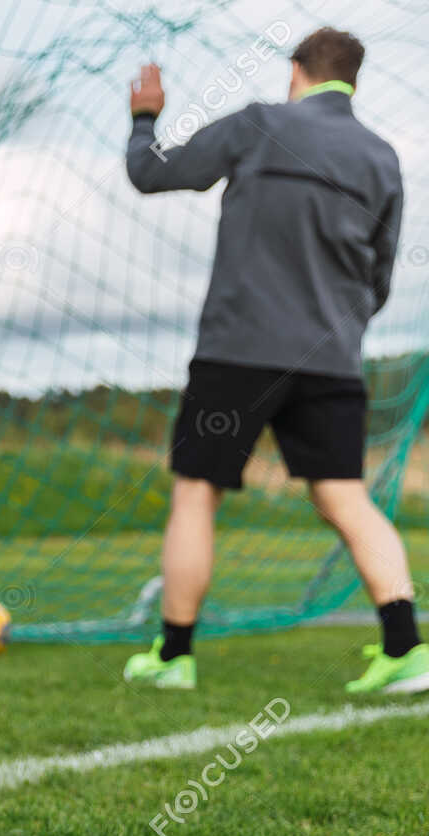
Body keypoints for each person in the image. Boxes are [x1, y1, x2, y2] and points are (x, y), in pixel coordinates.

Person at [121, 27, 426, 694]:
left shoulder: (259, 124)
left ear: (297, 72)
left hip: (239, 350)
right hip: (333, 359)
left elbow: (150, 174)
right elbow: (379, 278)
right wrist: (338, 324)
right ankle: (405, 647)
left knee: (197, 494)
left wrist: (145, 118)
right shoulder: (380, 156)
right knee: (344, 496)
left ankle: (174, 658)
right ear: (354, 77)